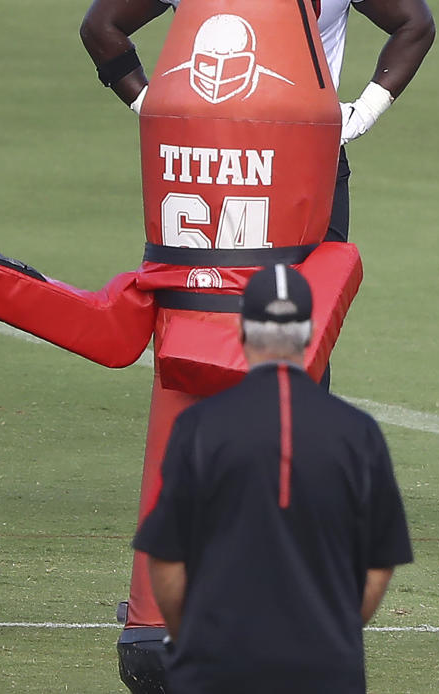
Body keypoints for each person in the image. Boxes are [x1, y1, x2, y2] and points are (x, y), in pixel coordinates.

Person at [132, 263, 413, 692]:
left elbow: (166, 558)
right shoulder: (359, 433)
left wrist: (193, 639)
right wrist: (335, 630)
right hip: (326, 671)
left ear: (242, 331)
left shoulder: (199, 427)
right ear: (309, 334)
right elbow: (379, 560)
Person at [80, 0, 435, 244]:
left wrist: (364, 112)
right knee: (207, 299)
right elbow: (101, 26)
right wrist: (153, 110)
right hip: (214, 159)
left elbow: (414, 23)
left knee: (309, 303)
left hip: (304, 153)